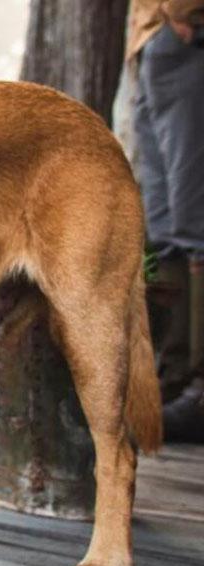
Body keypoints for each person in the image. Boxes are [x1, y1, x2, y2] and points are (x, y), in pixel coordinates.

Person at [127, 1, 204, 442]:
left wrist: (185, 13)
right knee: (164, 222)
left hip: (185, 34)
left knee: (194, 222)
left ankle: (198, 389)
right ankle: (171, 377)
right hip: (152, 39)